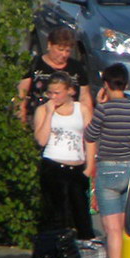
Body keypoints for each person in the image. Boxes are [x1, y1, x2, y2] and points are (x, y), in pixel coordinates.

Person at [84, 64, 130, 258]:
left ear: (105, 85)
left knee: (113, 230)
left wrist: (99, 104)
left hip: (108, 170)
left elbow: (89, 135)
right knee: (126, 228)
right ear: (126, 84)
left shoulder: (104, 110)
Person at [34, 72, 95, 243]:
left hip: (76, 166)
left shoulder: (81, 109)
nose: (54, 97)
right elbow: (41, 139)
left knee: (81, 213)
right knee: (56, 214)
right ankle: (55, 248)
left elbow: (89, 138)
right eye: (50, 93)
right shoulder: (43, 110)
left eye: (58, 93)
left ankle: (84, 246)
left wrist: (90, 166)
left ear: (70, 91)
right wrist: (49, 113)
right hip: (53, 164)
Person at [19, 27, 93, 125]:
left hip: (68, 121)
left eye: (68, 51)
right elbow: (21, 94)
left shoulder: (76, 67)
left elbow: (84, 97)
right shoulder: (34, 64)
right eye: (60, 49)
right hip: (38, 119)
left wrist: (87, 123)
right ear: (49, 45)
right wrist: (21, 118)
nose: (64, 54)